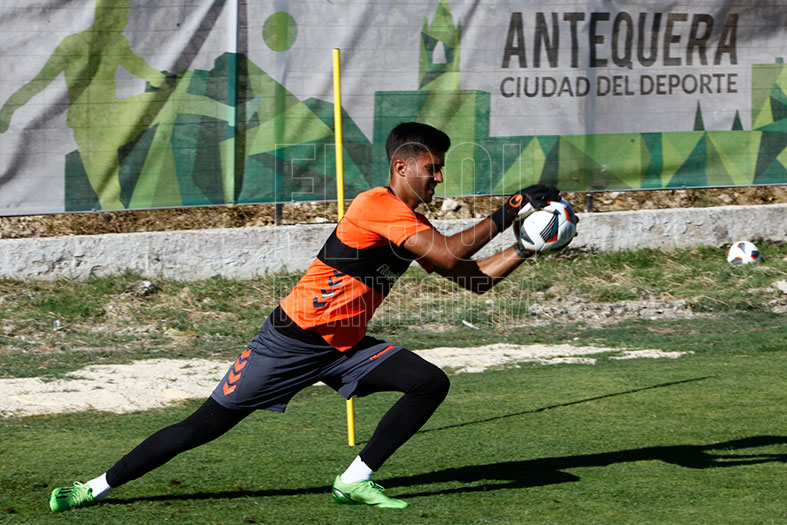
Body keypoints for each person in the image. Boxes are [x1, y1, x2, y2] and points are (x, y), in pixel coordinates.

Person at [48, 122, 560, 512]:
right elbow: (450, 253)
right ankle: (93, 487)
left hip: (345, 346)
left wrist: (525, 247)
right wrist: (509, 209)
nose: (439, 177)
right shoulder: (376, 204)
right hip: (291, 342)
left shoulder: (411, 222)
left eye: (441, 167)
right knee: (201, 427)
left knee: (428, 383)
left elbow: (472, 279)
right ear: (402, 167)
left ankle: (354, 480)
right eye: (433, 167)